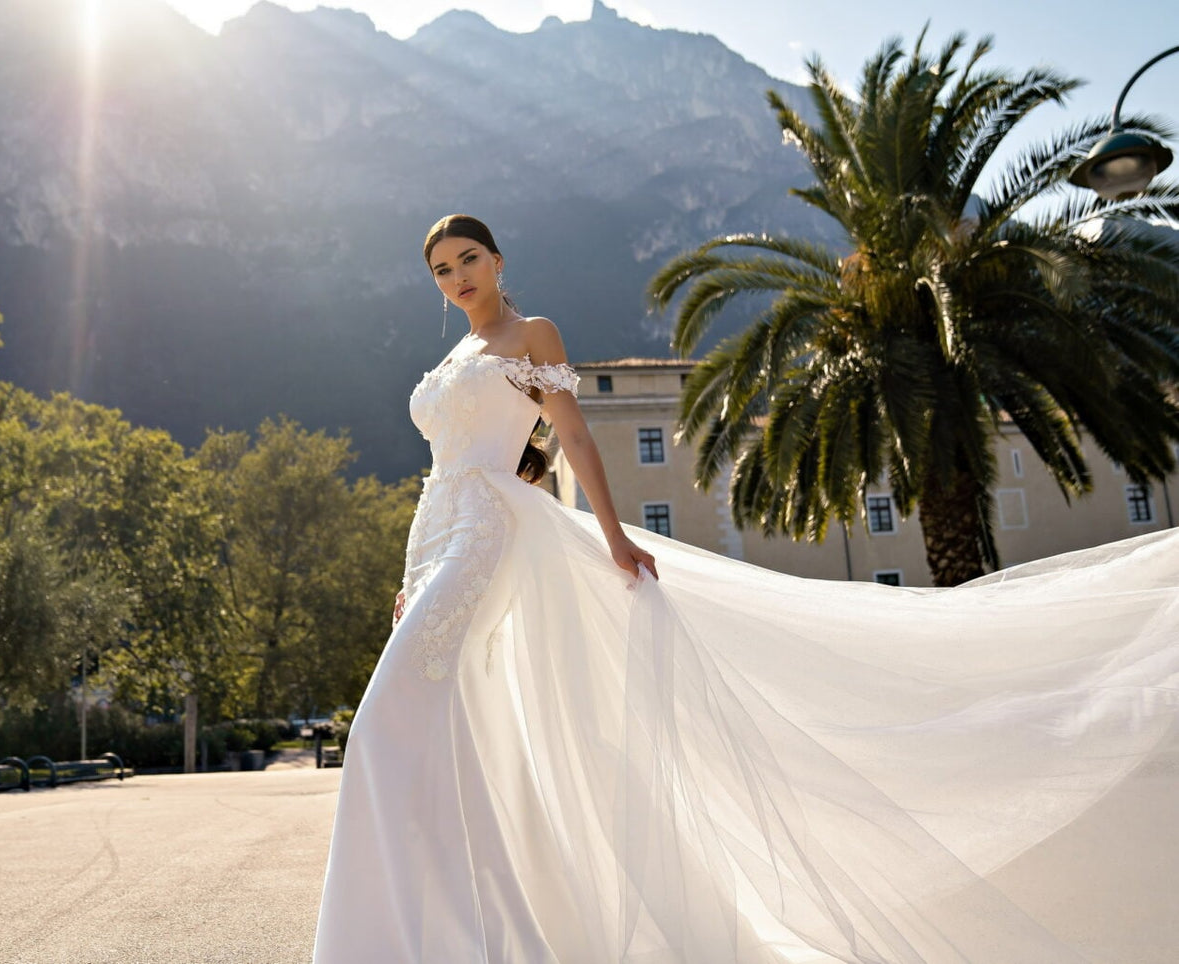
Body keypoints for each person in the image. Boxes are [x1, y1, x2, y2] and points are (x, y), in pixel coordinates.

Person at [311, 214, 1179, 963]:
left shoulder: (532, 333)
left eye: (467, 259)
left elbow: (571, 437)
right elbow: (436, 478)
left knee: (392, 712)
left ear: (497, 260)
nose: (457, 278)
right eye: (440, 271)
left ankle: (415, 925)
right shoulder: (460, 352)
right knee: (443, 722)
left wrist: (613, 537)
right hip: (441, 533)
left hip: (494, 532)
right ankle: (444, 924)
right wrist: (407, 577)